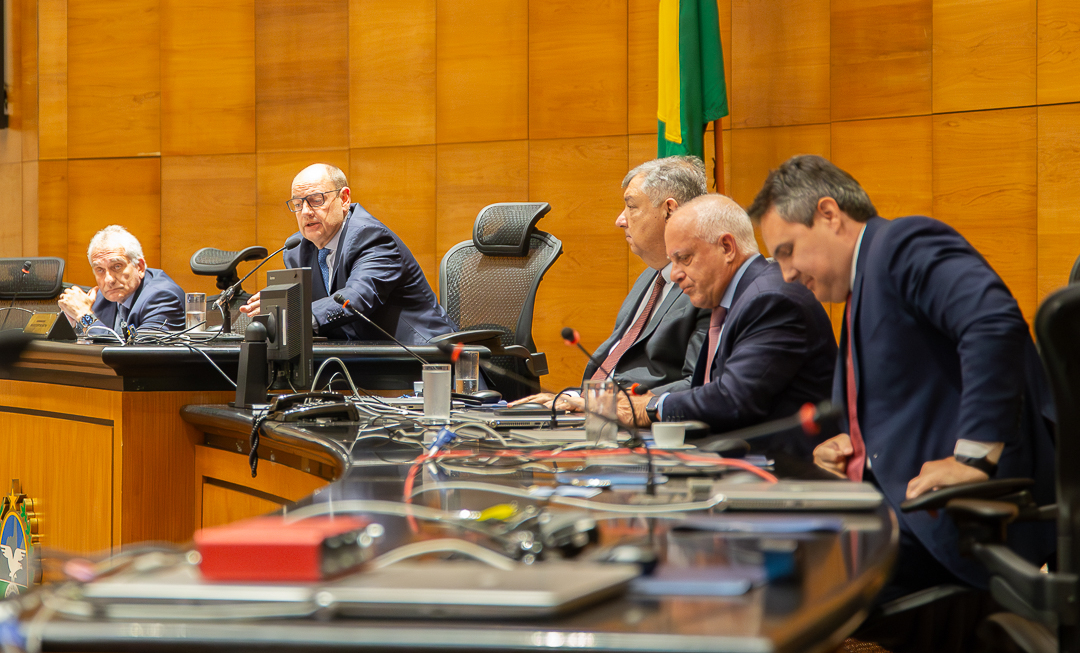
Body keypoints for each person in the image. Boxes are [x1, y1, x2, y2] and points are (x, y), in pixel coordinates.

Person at [749, 155, 1055, 611]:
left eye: (787, 250)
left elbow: (992, 322)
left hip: (951, 518)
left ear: (829, 215)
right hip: (899, 507)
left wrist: (974, 455)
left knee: (782, 582)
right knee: (759, 546)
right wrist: (846, 446)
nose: (787, 273)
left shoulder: (903, 243)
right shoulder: (860, 285)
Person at [622, 194, 837, 460]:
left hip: (781, 475)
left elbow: (733, 399)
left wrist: (653, 407)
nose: (675, 274)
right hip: (732, 461)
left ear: (727, 247)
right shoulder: (734, 299)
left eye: (684, 258)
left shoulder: (771, 299)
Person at [512, 156, 711, 408]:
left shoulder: (705, 285)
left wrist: (602, 404)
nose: (620, 220)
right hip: (596, 414)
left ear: (669, 210)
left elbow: (697, 384)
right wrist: (576, 398)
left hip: (643, 424)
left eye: (632, 206)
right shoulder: (649, 277)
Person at [241, 164, 457, 344]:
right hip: (359, 361)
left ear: (344, 199)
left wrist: (294, 312)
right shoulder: (297, 250)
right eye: (298, 204)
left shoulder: (372, 238)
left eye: (316, 200)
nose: (306, 211)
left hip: (424, 360)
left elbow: (355, 298)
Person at [57, 225, 185, 336]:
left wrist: (84, 316)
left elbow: (138, 354)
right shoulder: (101, 298)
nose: (109, 280)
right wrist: (73, 323)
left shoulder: (162, 297)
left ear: (139, 267)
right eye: (100, 269)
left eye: (117, 266)